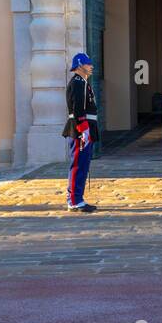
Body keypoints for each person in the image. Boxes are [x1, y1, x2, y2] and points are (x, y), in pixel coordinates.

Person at [62, 53, 99, 213]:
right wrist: (84, 130)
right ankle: (74, 200)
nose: (91, 66)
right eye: (88, 64)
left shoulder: (83, 83)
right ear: (79, 65)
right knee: (78, 165)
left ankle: (78, 198)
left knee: (83, 165)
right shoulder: (78, 83)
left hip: (84, 127)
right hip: (80, 129)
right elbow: (77, 109)